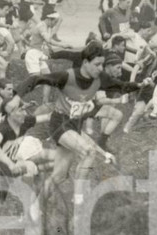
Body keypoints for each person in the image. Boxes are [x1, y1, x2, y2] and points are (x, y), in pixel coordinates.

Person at [13, 43, 116, 206]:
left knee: (61, 174)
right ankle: (23, 172)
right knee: (62, 167)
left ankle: (34, 205)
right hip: (29, 148)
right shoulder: (52, 111)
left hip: (35, 145)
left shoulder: (69, 112)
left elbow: (83, 136)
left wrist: (104, 154)